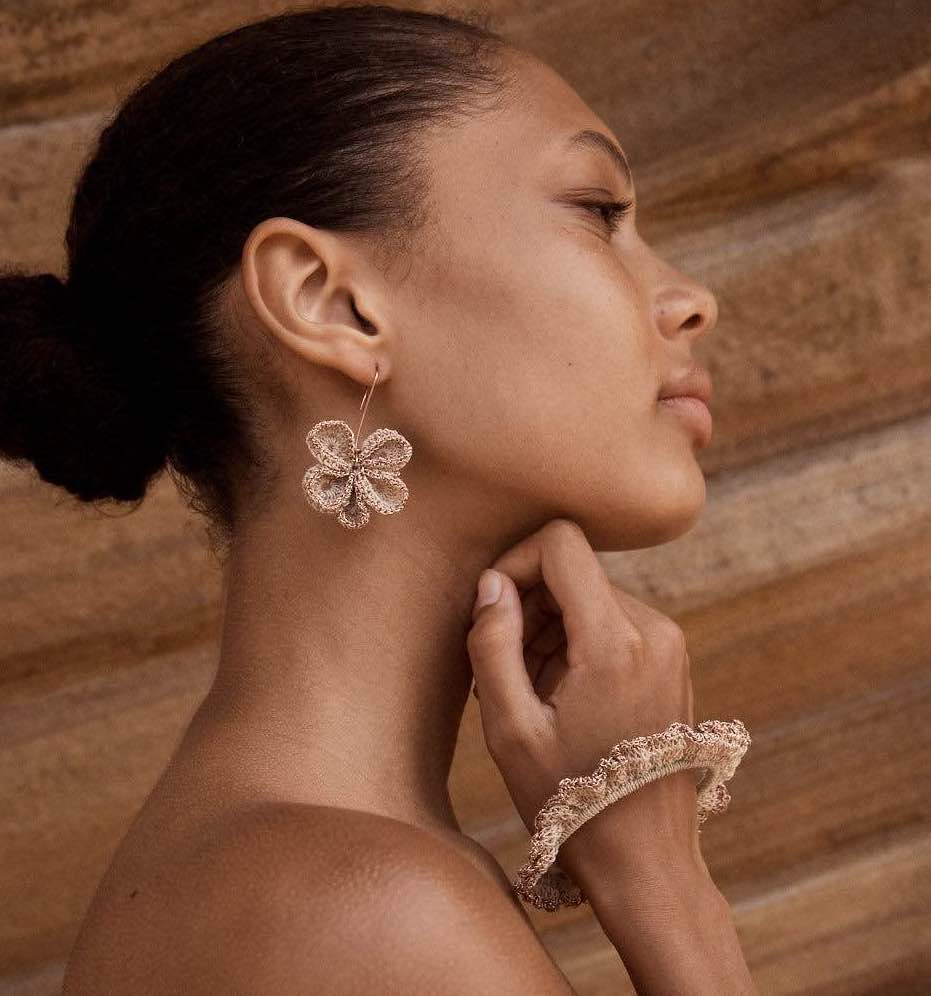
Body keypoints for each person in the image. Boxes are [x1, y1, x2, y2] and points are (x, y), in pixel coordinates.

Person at [0, 4, 757, 993]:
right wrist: (664, 888)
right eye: (599, 212)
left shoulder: (279, 868)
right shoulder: (371, 910)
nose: (691, 298)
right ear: (332, 303)